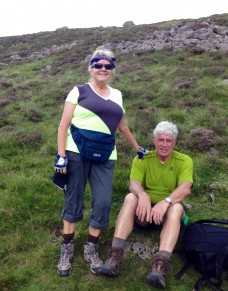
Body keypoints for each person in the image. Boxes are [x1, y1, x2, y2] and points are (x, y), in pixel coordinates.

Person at [54, 48, 148, 277]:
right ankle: (66, 249)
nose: (103, 69)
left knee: (104, 201)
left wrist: (136, 147)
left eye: (108, 66)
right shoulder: (78, 91)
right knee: (74, 198)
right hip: (76, 150)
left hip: (106, 154)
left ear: (112, 70)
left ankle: (91, 247)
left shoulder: (117, 94)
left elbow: (121, 125)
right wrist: (61, 155)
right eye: (98, 65)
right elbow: (64, 124)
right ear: (91, 68)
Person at [98, 121, 193, 289]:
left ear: (175, 143)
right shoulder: (142, 158)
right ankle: (114, 257)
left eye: (169, 140)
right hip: (145, 214)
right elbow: (133, 183)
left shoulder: (184, 160)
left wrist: (166, 202)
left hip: (168, 215)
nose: (164, 144)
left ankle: (159, 267)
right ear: (154, 141)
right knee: (130, 198)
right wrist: (142, 195)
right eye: (161, 140)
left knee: (177, 208)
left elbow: (185, 189)